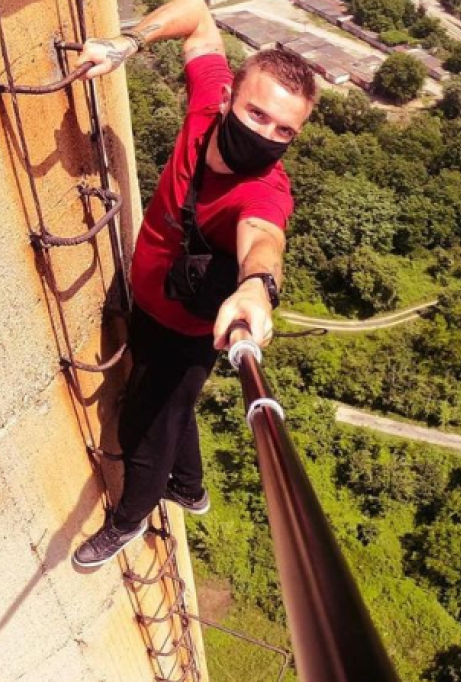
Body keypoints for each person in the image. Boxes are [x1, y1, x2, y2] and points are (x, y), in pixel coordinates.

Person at [72, 0, 317, 567]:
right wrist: (126, 44)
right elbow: (198, 16)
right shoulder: (209, 103)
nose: (267, 136)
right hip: (153, 307)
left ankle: (129, 520)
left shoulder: (264, 191)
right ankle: (190, 488)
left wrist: (258, 286)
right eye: (258, 115)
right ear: (231, 96)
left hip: (191, 332)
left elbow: (264, 238)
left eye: (285, 130)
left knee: (144, 430)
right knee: (175, 409)